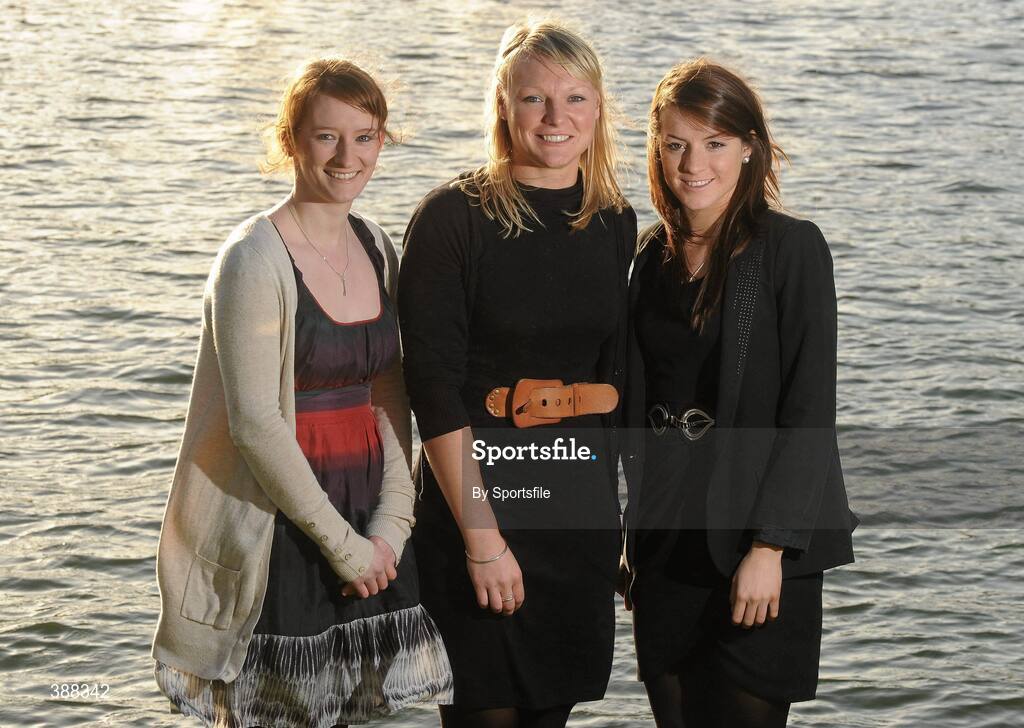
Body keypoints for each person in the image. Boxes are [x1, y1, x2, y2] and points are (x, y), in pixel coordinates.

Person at [150, 57, 452, 727]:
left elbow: (390, 394)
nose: (349, 156)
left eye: (366, 136)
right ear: (290, 140)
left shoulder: (377, 246)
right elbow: (256, 423)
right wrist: (342, 545)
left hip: (368, 527)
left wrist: (392, 522)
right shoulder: (253, 258)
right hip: (284, 529)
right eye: (327, 136)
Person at [397, 18, 635, 728]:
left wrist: (623, 530)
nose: (556, 118)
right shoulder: (452, 218)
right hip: (480, 508)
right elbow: (432, 388)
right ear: (503, 103)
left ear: (598, 107)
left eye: (576, 98)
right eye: (535, 98)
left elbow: (611, 381)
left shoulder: (614, 220)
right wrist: (481, 539)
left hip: (575, 518)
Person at [621, 59, 858, 728]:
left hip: (754, 554)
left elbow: (808, 412)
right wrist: (629, 539)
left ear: (750, 147)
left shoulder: (792, 250)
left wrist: (770, 547)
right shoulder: (649, 257)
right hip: (667, 553)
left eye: (715, 142)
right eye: (675, 143)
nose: (693, 162)